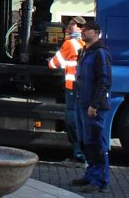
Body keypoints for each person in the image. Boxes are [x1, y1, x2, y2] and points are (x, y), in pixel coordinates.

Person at [71, 20, 112, 194]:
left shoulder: (100, 53)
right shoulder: (85, 52)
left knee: (95, 144)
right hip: (82, 104)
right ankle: (90, 175)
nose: (82, 31)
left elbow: (104, 81)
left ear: (96, 32)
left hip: (92, 107)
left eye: (86, 29)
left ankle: (100, 180)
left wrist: (94, 104)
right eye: (82, 29)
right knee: (85, 142)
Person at [49, 15, 87, 166]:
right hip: (81, 87)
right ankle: (82, 154)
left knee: (72, 121)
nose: (70, 26)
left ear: (80, 28)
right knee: (79, 121)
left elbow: (53, 64)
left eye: (73, 24)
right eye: (70, 23)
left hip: (72, 87)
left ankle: (78, 155)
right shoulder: (85, 43)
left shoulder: (69, 43)